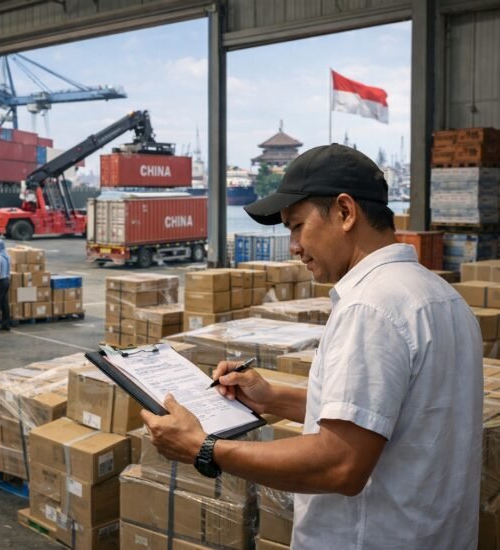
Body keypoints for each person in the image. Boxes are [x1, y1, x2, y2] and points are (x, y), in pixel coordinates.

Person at [141, 144, 483, 548]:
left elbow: (340, 464)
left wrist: (204, 447)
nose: (294, 247)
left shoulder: (370, 308)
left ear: (344, 212)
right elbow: (383, 416)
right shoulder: (441, 296)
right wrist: (270, 398)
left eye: (296, 226)